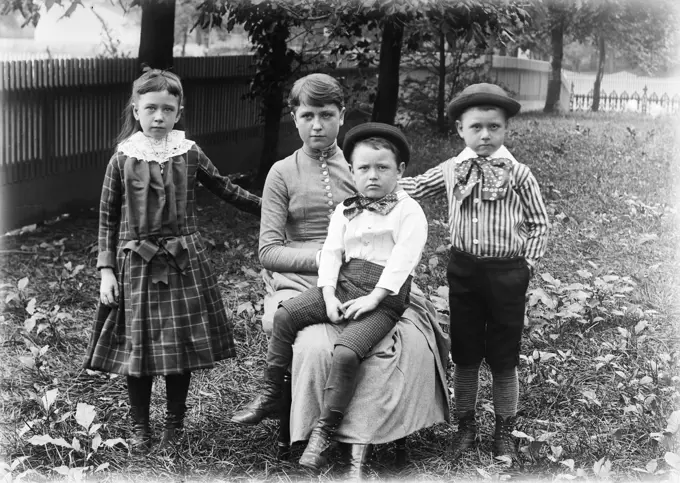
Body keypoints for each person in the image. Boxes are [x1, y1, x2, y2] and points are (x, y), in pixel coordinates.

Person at [231, 73, 449, 476]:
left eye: (327, 115)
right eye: (307, 115)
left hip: (376, 279)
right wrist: (328, 263)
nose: (317, 125)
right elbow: (267, 250)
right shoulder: (282, 172)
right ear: (294, 117)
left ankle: (373, 432)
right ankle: (289, 414)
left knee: (406, 342)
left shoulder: (362, 161)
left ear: (342, 115)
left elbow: (401, 214)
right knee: (314, 347)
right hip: (303, 278)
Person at [83, 68, 261, 453]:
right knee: (140, 347)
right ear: (136, 110)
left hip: (185, 262)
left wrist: (271, 208)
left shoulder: (189, 153)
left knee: (178, 348)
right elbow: (107, 217)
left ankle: (174, 425)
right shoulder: (123, 159)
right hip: (138, 265)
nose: (159, 117)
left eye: (168, 109)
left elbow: (225, 188)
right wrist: (106, 270)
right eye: (151, 108)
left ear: (179, 112)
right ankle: (139, 427)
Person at [400, 83, 550, 465]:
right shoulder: (452, 170)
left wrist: (525, 268)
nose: (486, 135)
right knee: (465, 353)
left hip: (507, 275)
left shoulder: (519, 173)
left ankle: (504, 430)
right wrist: (374, 178)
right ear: (460, 130)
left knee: (503, 356)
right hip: (464, 272)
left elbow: (539, 224)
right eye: (476, 127)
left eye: (495, 127)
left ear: (505, 129)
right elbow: (415, 186)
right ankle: (465, 426)